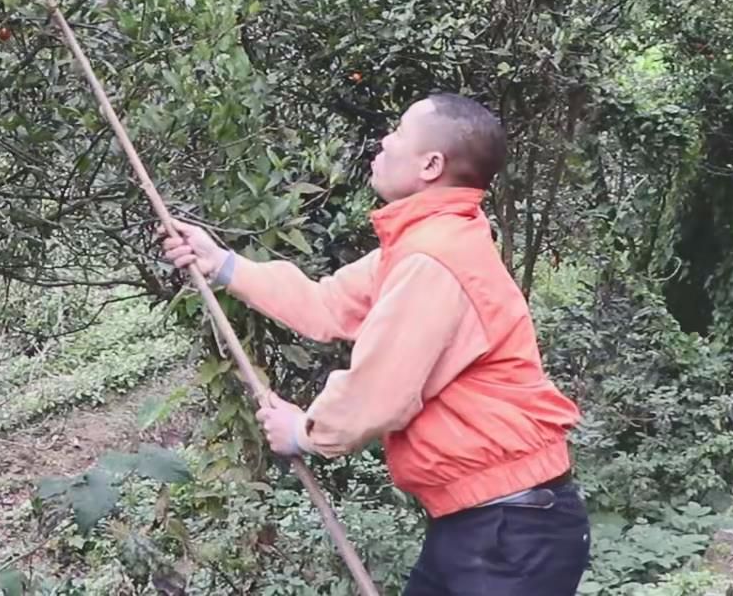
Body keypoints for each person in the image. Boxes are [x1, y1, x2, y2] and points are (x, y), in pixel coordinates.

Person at [161, 92, 589, 595]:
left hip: (510, 530)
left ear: (431, 164)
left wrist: (305, 433)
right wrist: (224, 265)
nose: (384, 141)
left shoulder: (435, 256)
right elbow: (326, 305)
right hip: (484, 523)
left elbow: (381, 391)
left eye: (399, 133)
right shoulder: (422, 243)